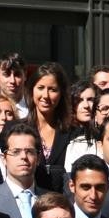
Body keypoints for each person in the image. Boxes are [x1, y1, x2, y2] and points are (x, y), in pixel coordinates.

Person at [28, 62, 74, 190]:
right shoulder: (17, 129)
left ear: (61, 93)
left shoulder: (73, 132)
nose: (45, 96)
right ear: (32, 90)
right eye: (40, 88)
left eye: (52, 89)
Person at [0, 52, 30, 119]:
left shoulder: (35, 107)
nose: (12, 81)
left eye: (17, 74)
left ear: (25, 76)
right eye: (7, 74)